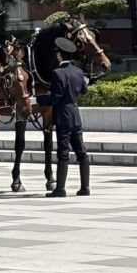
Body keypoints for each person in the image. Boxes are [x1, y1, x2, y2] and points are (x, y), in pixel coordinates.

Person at [44, 38, 91, 198]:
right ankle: (85, 187)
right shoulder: (78, 72)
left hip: (63, 116)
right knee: (81, 151)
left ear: (59, 55)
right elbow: (84, 90)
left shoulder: (57, 73)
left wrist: (39, 100)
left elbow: (55, 98)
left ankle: (60, 188)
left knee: (63, 152)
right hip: (75, 114)